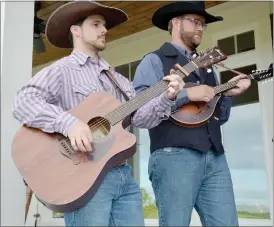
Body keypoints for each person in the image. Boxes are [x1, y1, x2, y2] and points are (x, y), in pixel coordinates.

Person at [12, 1, 185, 226]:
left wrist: (167, 97)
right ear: (76, 31)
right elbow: (23, 102)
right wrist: (68, 124)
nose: (104, 30)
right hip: (84, 177)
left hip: (123, 176)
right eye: (96, 24)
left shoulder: (120, 81)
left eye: (104, 25)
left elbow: (141, 118)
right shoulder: (61, 70)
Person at [133, 1, 251, 226]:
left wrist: (227, 95)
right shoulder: (154, 60)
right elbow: (140, 114)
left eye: (203, 24)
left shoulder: (208, 66)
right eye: (195, 21)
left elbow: (218, 118)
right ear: (176, 23)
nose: (200, 28)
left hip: (215, 157)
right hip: (173, 157)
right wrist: (188, 94)